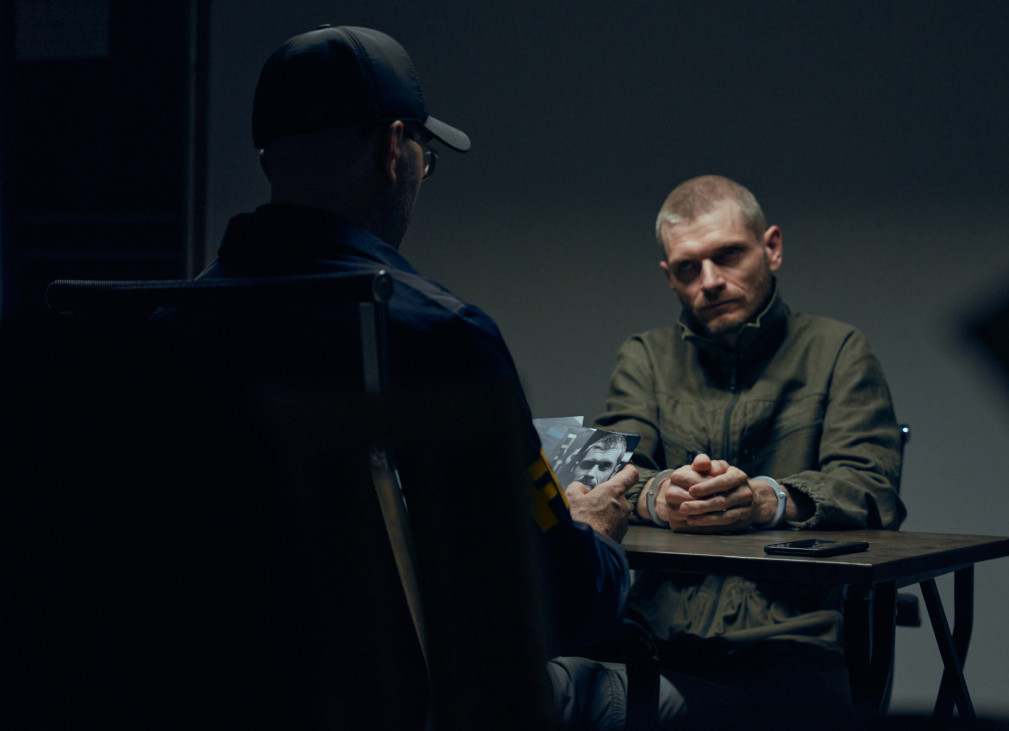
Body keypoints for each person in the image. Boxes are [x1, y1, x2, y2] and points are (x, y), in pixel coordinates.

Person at [200, 25, 637, 726]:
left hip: (217, 696)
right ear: (392, 148)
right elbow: (557, 604)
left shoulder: (167, 323)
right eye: (424, 158)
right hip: (413, 706)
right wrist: (592, 535)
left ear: (266, 159)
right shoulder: (438, 334)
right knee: (680, 700)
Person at [592, 175, 905, 721]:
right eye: (688, 267)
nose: (709, 281)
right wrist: (663, 494)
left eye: (728, 255)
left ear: (772, 248)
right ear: (669, 278)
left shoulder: (838, 351)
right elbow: (605, 473)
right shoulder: (644, 356)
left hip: (792, 642)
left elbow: (869, 485)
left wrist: (766, 499)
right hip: (654, 636)